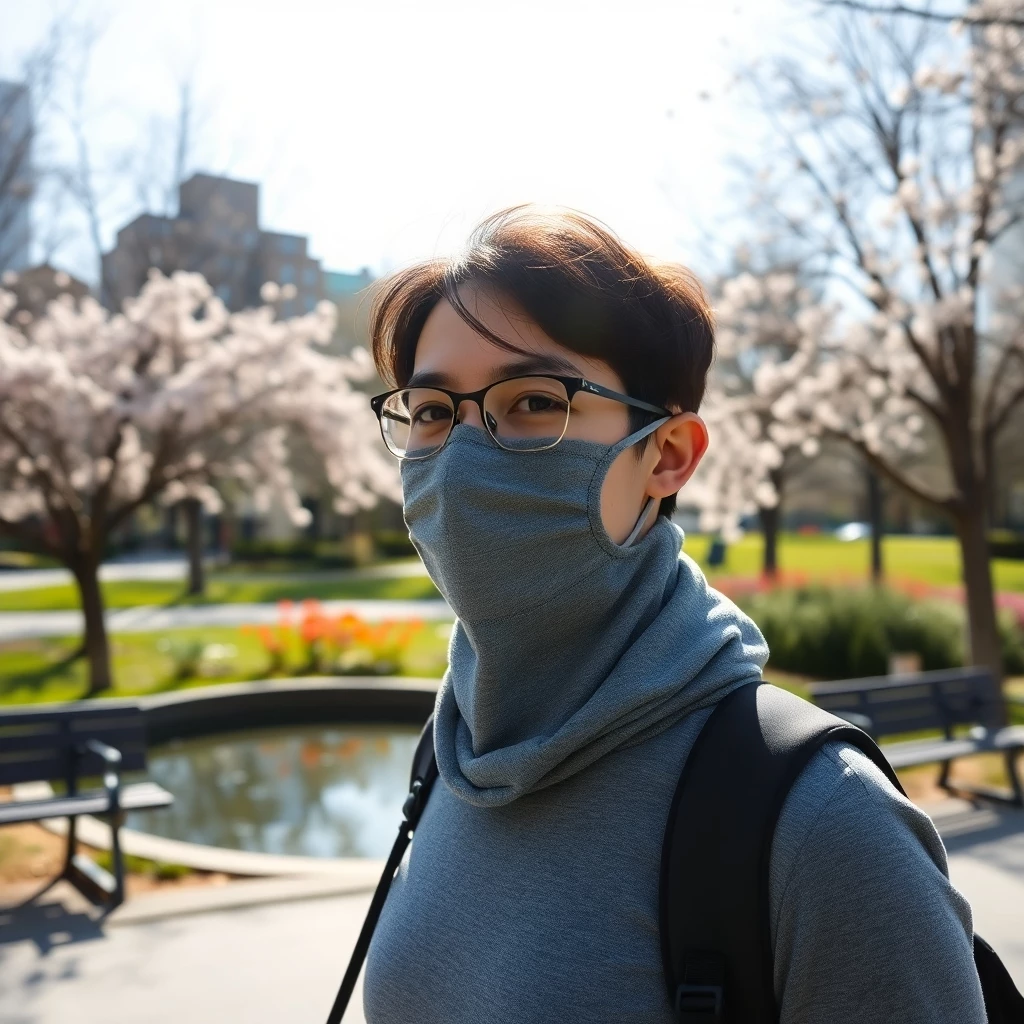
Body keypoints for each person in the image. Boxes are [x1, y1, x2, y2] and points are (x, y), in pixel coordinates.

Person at [360, 205, 986, 1023]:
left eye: (535, 402)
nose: (464, 454)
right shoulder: (448, 756)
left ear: (666, 455)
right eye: (434, 412)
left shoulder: (825, 828)